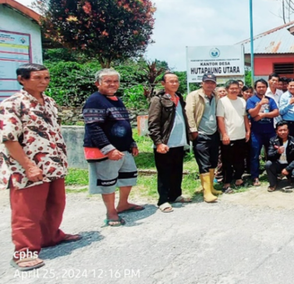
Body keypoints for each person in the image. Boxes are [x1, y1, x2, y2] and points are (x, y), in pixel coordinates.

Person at [1, 64, 80, 271]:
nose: (44, 81)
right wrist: (28, 166)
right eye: (38, 78)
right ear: (22, 79)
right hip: (27, 167)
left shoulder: (50, 102)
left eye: (46, 77)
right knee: (27, 212)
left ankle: (51, 236)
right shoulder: (12, 104)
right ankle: (24, 252)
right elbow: (9, 139)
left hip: (53, 164)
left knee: (55, 204)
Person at [83, 68, 143, 227]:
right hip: (106, 151)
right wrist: (108, 149)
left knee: (128, 177)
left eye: (115, 81)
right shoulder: (94, 100)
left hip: (123, 149)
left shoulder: (116, 99)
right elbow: (93, 127)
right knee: (108, 182)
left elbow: (124, 124)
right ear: (98, 83)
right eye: (108, 81)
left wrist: (131, 142)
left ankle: (123, 204)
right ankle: (111, 213)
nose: (112, 84)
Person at [148, 72, 191, 213]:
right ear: (163, 83)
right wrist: (158, 142)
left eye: (176, 81)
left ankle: (175, 195)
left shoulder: (178, 98)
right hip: (165, 143)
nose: (174, 83)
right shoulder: (158, 100)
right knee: (164, 173)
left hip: (179, 142)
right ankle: (163, 200)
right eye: (171, 81)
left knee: (177, 171)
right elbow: (153, 123)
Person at [185, 73, 224, 203]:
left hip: (213, 133)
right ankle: (206, 192)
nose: (210, 84)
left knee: (213, 161)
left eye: (212, 82)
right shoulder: (194, 95)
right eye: (207, 82)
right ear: (202, 83)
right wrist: (193, 130)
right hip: (200, 134)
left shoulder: (215, 96)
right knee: (204, 162)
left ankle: (211, 188)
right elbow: (189, 113)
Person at [217, 80, 251, 193]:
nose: (234, 90)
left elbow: (245, 117)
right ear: (227, 89)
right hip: (228, 137)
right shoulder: (222, 102)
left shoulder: (242, 101)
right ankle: (226, 183)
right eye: (232, 88)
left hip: (240, 135)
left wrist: (248, 131)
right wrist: (224, 134)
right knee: (227, 161)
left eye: (236, 88)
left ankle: (238, 179)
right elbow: (220, 119)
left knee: (240, 160)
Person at [247, 79, 280, 186]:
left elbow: (276, 112)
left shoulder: (270, 99)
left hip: (270, 131)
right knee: (255, 155)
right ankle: (255, 177)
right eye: (259, 87)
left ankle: (274, 174)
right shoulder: (251, 100)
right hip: (256, 132)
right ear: (255, 88)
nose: (261, 89)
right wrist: (259, 105)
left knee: (272, 154)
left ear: (266, 88)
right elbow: (252, 114)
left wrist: (263, 115)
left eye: (263, 87)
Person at [265, 121, 294, 192]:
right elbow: (269, 156)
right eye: (280, 130)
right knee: (268, 164)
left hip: (290, 164)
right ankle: (273, 183)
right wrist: (277, 152)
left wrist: (288, 169)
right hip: (279, 164)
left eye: (285, 130)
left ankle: (292, 180)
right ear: (276, 131)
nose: (283, 132)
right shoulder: (273, 141)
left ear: (288, 131)